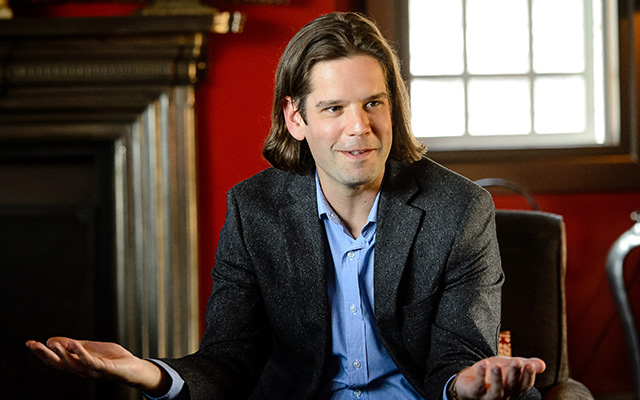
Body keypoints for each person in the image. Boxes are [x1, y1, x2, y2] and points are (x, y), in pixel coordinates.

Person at [26, 12, 546, 400]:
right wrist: (150, 373)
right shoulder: (253, 211)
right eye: (333, 108)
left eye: (373, 103)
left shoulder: (460, 210)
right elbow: (230, 361)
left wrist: (468, 384)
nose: (359, 127)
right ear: (296, 118)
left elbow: (459, 358)